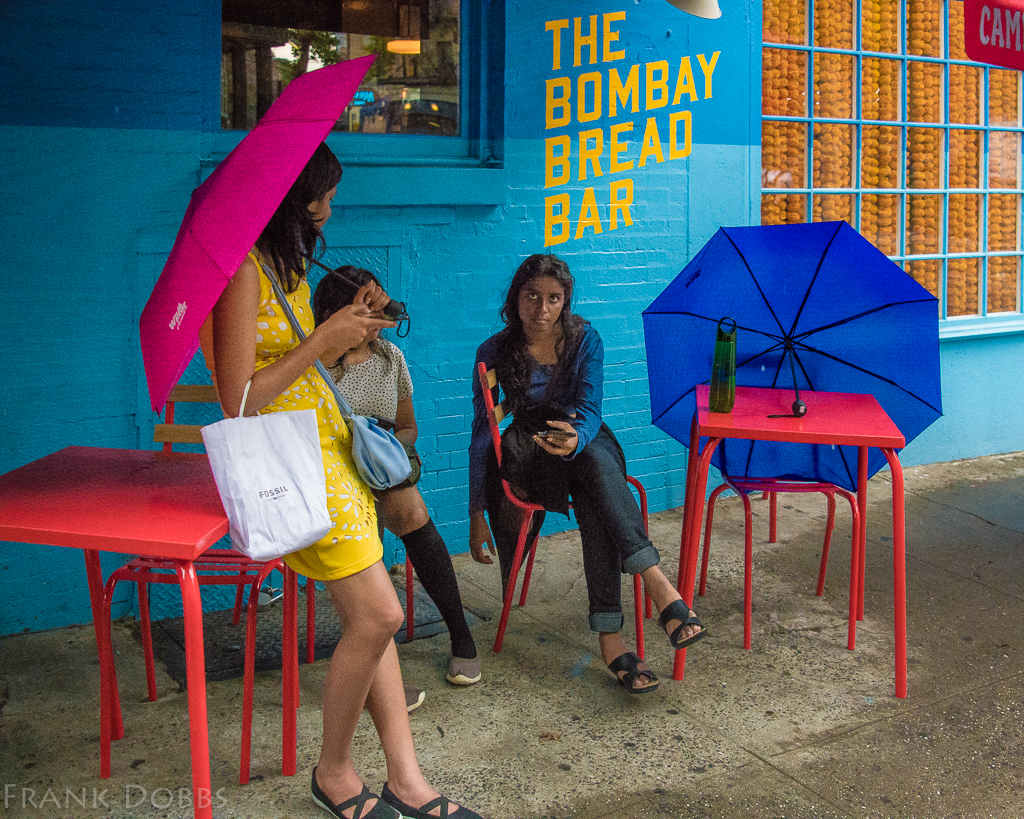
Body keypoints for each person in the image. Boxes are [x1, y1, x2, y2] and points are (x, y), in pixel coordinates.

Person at [209, 142, 483, 819]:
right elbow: (237, 400)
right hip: (294, 463)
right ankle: (333, 771)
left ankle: (407, 780)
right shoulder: (241, 271)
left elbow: (304, 356)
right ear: (289, 199)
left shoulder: (281, 264)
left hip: (329, 448)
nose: (328, 208)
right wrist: (322, 341)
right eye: (321, 196)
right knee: (383, 614)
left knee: (371, 616)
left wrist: (349, 320)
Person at [468, 253, 707, 695]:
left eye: (553, 298)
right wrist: (476, 510)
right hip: (531, 451)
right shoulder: (494, 349)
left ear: (566, 301)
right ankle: (657, 588)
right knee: (596, 476)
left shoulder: (585, 339)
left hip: (582, 435)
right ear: (515, 298)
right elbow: (483, 435)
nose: (542, 309)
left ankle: (613, 636)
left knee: (592, 470)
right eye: (531, 296)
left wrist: (576, 437)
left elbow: (591, 409)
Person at [312, 266, 482, 685]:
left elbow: (408, 426)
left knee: (409, 509)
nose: (379, 324)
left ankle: (460, 633)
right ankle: (375, 664)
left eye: (380, 312)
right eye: (368, 313)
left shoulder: (390, 359)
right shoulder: (315, 366)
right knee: (367, 513)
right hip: (330, 470)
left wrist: (385, 448)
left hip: (381, 466)